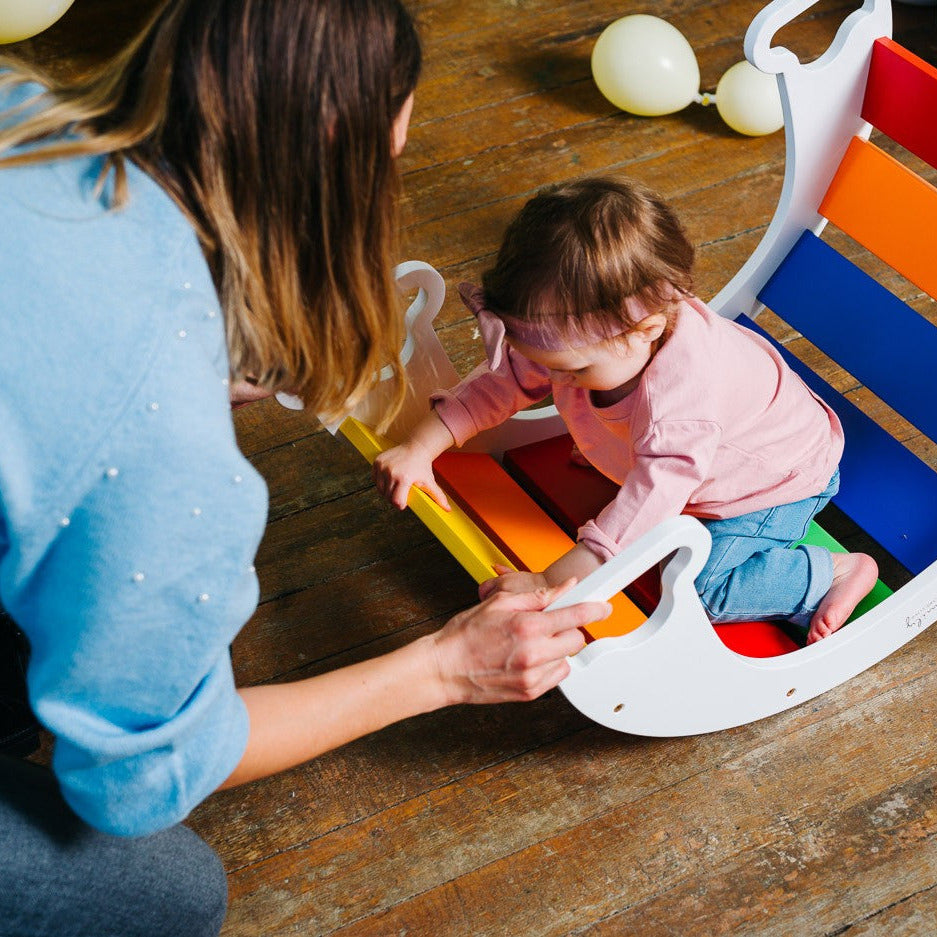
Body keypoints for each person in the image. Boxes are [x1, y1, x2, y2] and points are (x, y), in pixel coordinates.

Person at [0, 2, 612, 934]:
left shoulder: (17, 103)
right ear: (338, 151)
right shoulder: (170, 459)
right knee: (163, 893)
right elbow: (134, 781)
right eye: (390, 153)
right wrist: (445, 667)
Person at [374, 176, 880, 647]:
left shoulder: (681, 405)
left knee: (702, 590)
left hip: (767, 483)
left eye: (571, 370)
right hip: (690, 457)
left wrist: (552, 584)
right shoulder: (588, 341)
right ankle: (618, 450)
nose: (555, 379)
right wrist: (421, 448)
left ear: (648, 329)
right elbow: (503, 382)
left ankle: (830, 574)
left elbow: (648, 500)